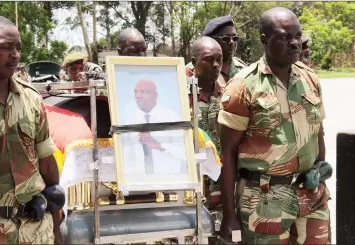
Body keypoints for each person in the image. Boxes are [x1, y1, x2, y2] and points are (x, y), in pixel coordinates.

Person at [218, 7, 331, 244]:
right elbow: (227, 153)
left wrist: (319, 172)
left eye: (298, 36)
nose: (295, 43)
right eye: (284, 37)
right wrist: (229, 215)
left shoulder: (310, 78)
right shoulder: (243, 86)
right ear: (264, 39)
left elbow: (318, 131)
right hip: (264, 200)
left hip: (310, 193)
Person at [0, 13, 63, 244]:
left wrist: (56, 229)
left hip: (36, 230)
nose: (16, 55)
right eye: (6, 47)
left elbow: (47, 164)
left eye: (18, 47)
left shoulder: (31, 98)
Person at [187, 36, 224, 208]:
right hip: (192, 184)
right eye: (209, 60)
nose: (216, 65)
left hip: (223, 183)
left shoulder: (228, 95)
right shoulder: (180, 96)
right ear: (194, 62)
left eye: (219, 60)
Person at [123, 79, 186, 175]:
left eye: (144, 92)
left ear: (155, 96)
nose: (138, 96)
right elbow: (127, 156)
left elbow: (185, 153)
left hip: (168, 181)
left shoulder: (172, 118)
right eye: (136, 92)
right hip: (138, 182)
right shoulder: (131, 120)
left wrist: (159, 145)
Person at [186, 15, 247, 85]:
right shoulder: (191, 70)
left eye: (235, 38)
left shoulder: (243, 69)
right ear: (211, 40)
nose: (232, 42)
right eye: (226, 38)